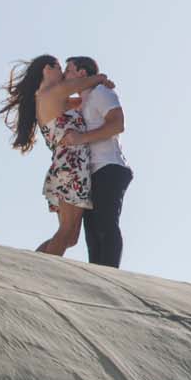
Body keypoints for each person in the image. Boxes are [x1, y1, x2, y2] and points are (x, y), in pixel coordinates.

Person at [0, 54, 110, 256]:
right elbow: (90, 81)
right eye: (59, 68)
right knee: (66, 233)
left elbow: (81, 100)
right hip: (71, 168)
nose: (64, 74)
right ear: (47, 70)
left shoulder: (52, 96)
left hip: (67, 167)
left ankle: (33, 262)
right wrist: (101, 79)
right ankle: (36, 269)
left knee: (70, 237)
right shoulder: (52, 92)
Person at [66, 55, 131, 268]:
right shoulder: (83, 100)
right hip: (90, 172)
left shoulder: (101, 93)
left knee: (105, 225)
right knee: (92, 234)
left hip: (109, 167)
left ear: (82, 73)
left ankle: (110, 276)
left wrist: (81, 138)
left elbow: (117, 124)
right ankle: (96, 277)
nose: (66, 76)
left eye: (69, 71)